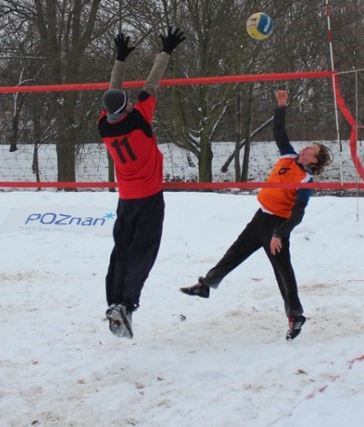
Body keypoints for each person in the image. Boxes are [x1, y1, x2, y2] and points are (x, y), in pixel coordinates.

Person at [180, 90, 332, 341]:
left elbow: (298, 214)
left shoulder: (305, 179)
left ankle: (296, 316)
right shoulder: (288, 155)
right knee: (234, 253)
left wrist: (279, 234)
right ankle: (206, 285)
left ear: (314, 162)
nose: (305, 149)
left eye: (311, 150)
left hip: (277, 226)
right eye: (308, 146)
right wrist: (281, 105)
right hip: (260, 217)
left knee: (283, 271)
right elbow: (279, 132)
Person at [97, 27, 185, 338]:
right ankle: (126, 305)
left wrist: (120, 58)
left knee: (121, 251)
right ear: (129, 108)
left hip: (125, 199)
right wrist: (166, 52)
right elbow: (151, 84)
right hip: (148, 198)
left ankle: (114, 303)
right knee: (143, 253)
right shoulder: (140, 121)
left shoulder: (104, 126)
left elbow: (112, 92)